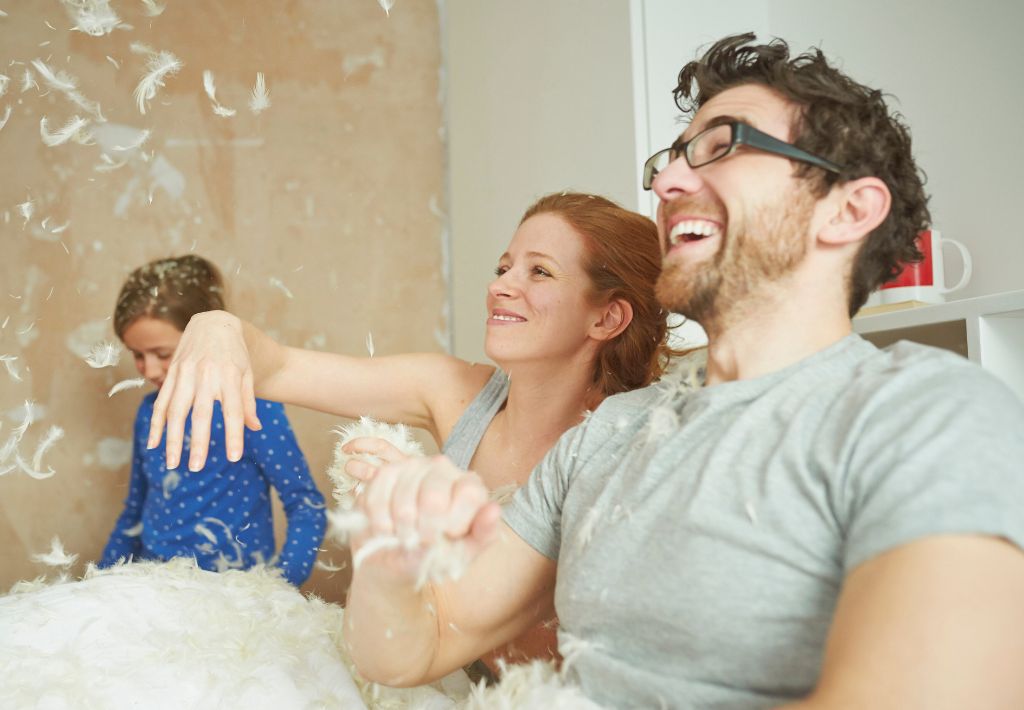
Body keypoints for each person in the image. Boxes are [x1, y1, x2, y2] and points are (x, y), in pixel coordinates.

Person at [336, 33, 1024, 708]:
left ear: (849, 210)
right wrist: (392, 560)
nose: (666, 183)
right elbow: (413, 648)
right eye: (670, 160)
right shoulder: (606, 436)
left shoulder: (926, 413)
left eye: (724, 146)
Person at [143, 194, 679, 673]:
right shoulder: (452, 390)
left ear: (607, 319)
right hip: (455, 678)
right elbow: (277, 368)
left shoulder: (626, 443)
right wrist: (215, 326)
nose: (500, 285)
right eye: (503, 266)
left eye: (539, 272)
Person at [99, 255, 326, 587]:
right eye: (137, 355)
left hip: (231, 600)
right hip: (152, 593)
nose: (149, 371)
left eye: (162, 354)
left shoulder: (253, 407)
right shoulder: (150, 412)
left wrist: (278, 592)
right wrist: (99, 585)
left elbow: (306, 506)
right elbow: (134, 512)